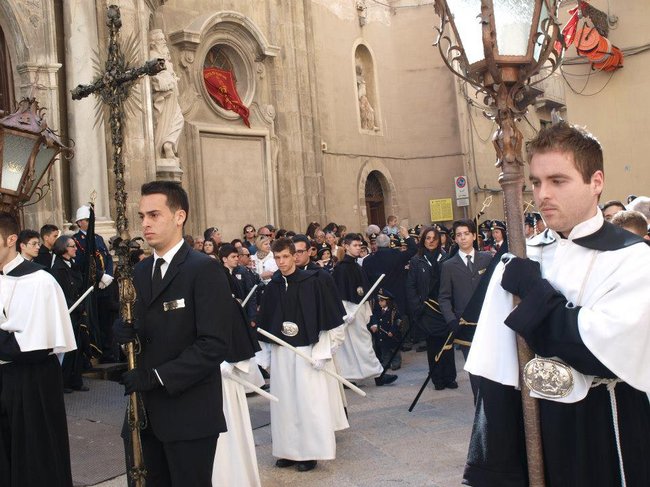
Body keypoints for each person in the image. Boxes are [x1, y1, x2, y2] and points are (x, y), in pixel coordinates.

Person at [463, 123, 650, 487]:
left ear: (596, 182)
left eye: (558, 181)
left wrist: (536, 295)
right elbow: (493, 363)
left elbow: (595, 350)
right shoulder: (522, 255)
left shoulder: (634, 258)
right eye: (535, 182)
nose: (542, 194)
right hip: (531, 423)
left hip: (601, 427)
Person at [113, 181, 232, 487]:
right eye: (142, 216)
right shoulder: (139, 273)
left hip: (188, 417)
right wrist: (122, 337)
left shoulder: (203, 269)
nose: (145, 223)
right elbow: (142, 338)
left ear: (180, 216)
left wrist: (157, 377)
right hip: (143, 416)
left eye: (154, 214)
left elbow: (213, 344)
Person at [257, 237, 348, 472]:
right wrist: (266, 356)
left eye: (286, 256)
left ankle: (309, 452)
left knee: (308, 402)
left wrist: (323, 352)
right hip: (281, 351)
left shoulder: (312, 283)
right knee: (284, 403)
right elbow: (266, 326)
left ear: (294, 256)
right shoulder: (272, 287)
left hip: (307, 351)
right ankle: (288, 450)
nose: (282, 262)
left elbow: (331, 321)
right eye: (277, 258)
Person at [0, 212, 76, 487]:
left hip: (31, 382)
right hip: (5, 379)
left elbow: (30, 347)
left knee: (35, 460)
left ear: (11, 239)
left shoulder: (39, 280)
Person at [213, 246, 263, 487]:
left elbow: (241, 344)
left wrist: (231, 363)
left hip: (228, 382)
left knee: (232, 432)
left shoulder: (230, 306)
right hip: (203, 385)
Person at [332, 233, 397, 386]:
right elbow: (340, 294)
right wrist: (345, 313)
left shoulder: (356, 266)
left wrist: (366, 310)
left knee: (363, 343)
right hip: (349, 312)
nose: (358, 248)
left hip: (359, 310)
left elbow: (363, 291)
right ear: (346, 246)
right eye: (354, 245)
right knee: (351, 347)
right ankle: (358, 376)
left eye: (359, 246)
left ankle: (371, 375)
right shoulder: (341, 269)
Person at [438, 219, 492, 394]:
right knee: (475, 371)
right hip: (465, 326)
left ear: (474, 236)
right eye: (459, 235)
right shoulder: (448, 265)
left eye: (466, 234)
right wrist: (451, 320)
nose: (463, 238)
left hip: (488, 322)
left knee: (491, 368)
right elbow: (444, 297)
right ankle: (480, 410)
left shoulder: (487, 259)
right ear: (455, 239)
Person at [406, 226, 450, 388]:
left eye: (434, 238)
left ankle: (449, 376)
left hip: (445, 308)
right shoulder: (417, 260)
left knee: (447, 344)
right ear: (423, 240)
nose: (431, 241)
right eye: (428, 238)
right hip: (427, 308)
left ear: (439, 240)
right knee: (433, 345)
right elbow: (410, 286)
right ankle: (437, 378)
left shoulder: (445, 258)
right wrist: (417, 306)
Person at [73, 205, 115, 361]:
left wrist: (108, 275)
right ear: (79, 223)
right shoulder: (77, 240)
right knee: (94, 320)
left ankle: (108, 352)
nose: (91, 223)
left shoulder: (97, 238)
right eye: (87, 220)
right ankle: (96, 352)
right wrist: (99, 276)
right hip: (91, 286)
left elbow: (107, 257)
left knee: (106, 319)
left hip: (105, 285)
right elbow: (84, 263)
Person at [50, 235, 88, 393]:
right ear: (64, 249)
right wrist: (73, 305)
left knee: (78, 347)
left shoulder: (74, 266)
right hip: (68, 312)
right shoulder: (57, 269)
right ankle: (63, 381)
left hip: (77, 312)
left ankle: (76, 380)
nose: (75, 249)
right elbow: (60, 293)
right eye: (72, 246)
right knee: (67, 349)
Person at [368, 289, 401, 370]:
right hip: (383, 336)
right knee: (385, 351)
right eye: (379, 301)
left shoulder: (393, 312)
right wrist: (375, 326)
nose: (380, 302)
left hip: (391, 335)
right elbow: (376, 320)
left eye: (382, 301)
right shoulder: (379, 311)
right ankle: (386, 362)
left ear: (388, 301)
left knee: (394, 350)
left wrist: (392, 331)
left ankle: (396, 362)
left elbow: (397, 322)